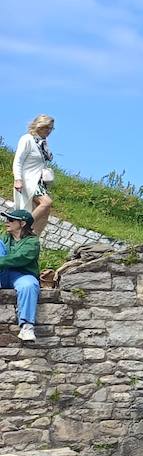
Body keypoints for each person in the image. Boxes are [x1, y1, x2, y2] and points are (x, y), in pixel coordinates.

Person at [0, 209, 41, 343]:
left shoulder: (32, 242)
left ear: (22, 223)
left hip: (21, 274)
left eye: (11, 220)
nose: (7, 222)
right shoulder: (4, 239)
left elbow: (20, 258)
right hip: (2, 273)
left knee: (29, 285)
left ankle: (27, 327)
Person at [12, 115, 55, 235]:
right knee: (46, 202)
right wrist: (18, 179)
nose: (49, 131)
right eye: (46, 128)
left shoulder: (42, 143)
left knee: (45, 212)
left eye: (51, 128)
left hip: (39, 181)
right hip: (28, 180)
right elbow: (18, 161)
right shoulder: (27, 139)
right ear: (39, 126)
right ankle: (21, 226)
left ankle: (33, 238)